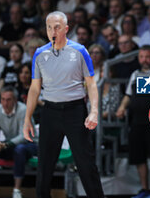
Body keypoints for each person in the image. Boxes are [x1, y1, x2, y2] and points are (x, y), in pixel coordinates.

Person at [23, 11, 104, 198]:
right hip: (50, 111)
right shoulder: (39, 53)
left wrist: (93, 111)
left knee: (85, 163)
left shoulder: (80, 50)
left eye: (57, 27)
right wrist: (27, 119)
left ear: (66, 29)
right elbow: (35, 89)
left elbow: (91, 83)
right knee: (44, 165)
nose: (53, 30)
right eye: (49, 27)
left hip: (75, 111)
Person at [116, 45, 150, 198]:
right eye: (141, 57)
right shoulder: (135, 74)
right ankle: (144, 189)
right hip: (137, 121)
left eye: (147, 57)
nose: (144, 60)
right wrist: (121, 107)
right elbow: (128, 95)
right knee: (139, 156)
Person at [0, 86, 37, 198]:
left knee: (20, 150)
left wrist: (6, 144)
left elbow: (24, 135)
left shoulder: (23, 110)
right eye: (2, 99)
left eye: (8, 100)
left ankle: (16, 190)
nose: (5, 103)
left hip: (30, 144)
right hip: (9, 144)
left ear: (15, 100)